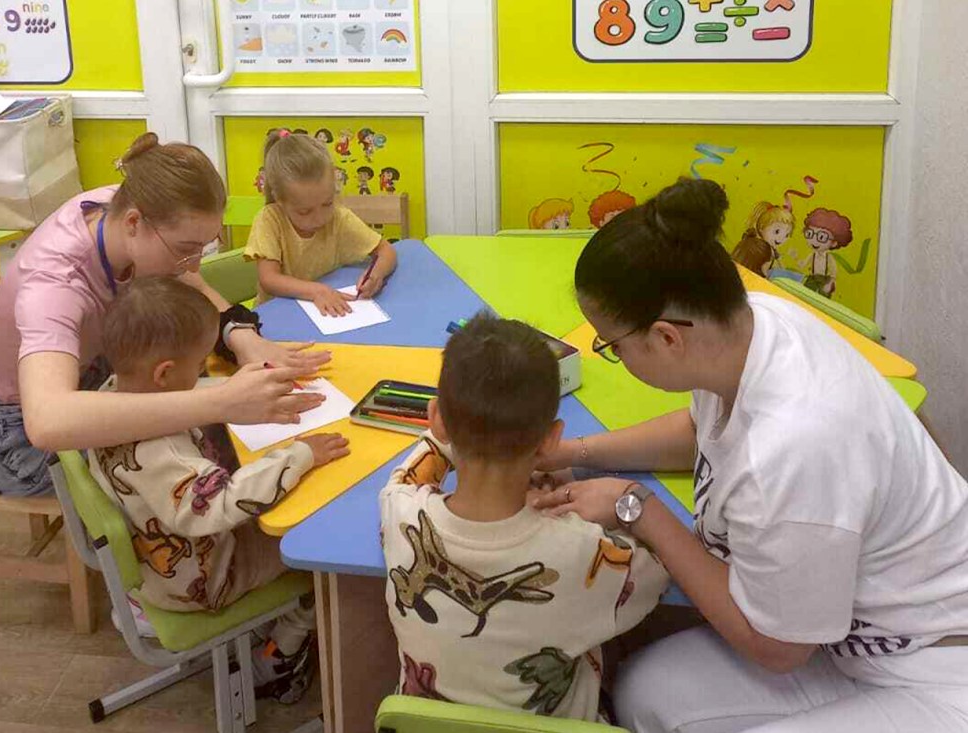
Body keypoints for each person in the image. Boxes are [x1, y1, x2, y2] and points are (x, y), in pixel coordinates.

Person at [533, 178, 968, 732]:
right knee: (646, 692)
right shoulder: (750, 323)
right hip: (850, 637)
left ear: (667, 338)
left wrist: (635, 508)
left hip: (934, 664)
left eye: (613, 346)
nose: (614, 355)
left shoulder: (796, 447)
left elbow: (778, 648)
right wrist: (577, 454)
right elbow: (700, 427)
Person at [0, 133, 328, 498]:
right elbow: (48, 421)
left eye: (201, 249)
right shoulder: (54, 285)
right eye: (185, 249)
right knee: (185, 453)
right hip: (16, 443)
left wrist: (242, 336)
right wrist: (221, 402)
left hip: (98, 375)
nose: (193, 265)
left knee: (210, 424)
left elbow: (192, 281)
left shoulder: (134, 206)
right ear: (132, 224)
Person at [380, 314, 668, 723]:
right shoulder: (582, 551)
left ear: (436, 417)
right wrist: (625, 506)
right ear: (552, 439)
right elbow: (656, 573)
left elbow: (407, 476)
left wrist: (445, 433)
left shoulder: (400, 511)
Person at [91, 277, 349, 703]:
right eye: (199, 367)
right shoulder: (162, 457)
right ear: (165, 374)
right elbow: (219, 503)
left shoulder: (110, 398)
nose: (202, 374)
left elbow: (182, 403)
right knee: (319, 554)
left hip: (165, 555)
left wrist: (233, 393)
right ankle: (282, 655)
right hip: (204, 577)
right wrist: (298, 456)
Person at [244, 130, 397, 316]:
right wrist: (317, 291)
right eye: (304, 211)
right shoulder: (270, 220)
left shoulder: (338, 217)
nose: (319, 218)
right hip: (275, 317)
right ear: (280, 200)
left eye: (327, 203)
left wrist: (376, 275)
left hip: (322, 315)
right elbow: (269, 279)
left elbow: (386, 251)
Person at [731, 201, 795, 277]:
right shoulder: (765, 249)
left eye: (786, 235)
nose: (781, 238)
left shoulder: (750, 240)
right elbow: (764, 274)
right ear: (762, 227)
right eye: (777, 231)